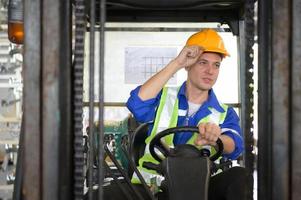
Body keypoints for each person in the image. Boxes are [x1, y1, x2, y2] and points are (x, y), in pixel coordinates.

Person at [125, 28, 248, 200]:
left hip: (202, 187)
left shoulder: (224, 113)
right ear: (188, 64)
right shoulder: (162, 98)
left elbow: (235, 146)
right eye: (203, 62)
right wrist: (176, 63)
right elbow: (136, 103)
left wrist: (216, 138)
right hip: (155, 187)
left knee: (241, 177)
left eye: (216, 65)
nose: (210, 71)